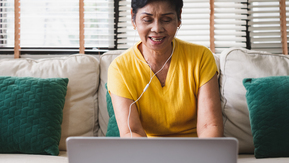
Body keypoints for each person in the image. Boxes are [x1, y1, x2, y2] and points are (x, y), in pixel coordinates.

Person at [107, 0, 223, 138]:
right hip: (147, 152)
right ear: (133, 18)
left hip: (195, 150)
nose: (157, 28)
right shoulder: (119, 68)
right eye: (147, 19)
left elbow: (209, 127)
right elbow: (132, 132)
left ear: (178, 18)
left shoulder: (201, 57)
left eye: (166, 19)